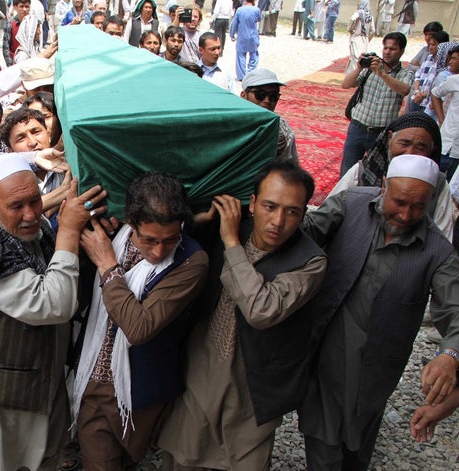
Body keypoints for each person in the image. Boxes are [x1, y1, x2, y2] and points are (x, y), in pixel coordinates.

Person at [160, 161, 327, 471]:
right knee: (184, 452)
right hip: (201, 362)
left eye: (292, 211)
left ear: (304, 214)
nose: (278, 221)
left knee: (244, 454)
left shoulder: (310, 262)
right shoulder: (226, 226)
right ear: (252, 204)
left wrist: (232, 243)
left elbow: (261, 310)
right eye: (270, 206)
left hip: (253, 379)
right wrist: (199, 223)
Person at [298, 153, 459, 471]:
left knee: (357, 443)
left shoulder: (438, 252)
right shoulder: (352, 204)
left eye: (418, 206)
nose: (406, 214)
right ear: (384, 185)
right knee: (325, 445)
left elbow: (455, 309)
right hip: (324, 355)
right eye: (399, 201)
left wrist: (450, 354)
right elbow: (306, 230)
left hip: (375, 373)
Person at [0, 155, 105, 470]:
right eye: (16, 206)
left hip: (42, 392)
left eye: (36, 201)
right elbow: (55, 304)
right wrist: (67, 231)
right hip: (1, 406)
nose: (30, 215)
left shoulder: (30, 232)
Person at [74, 172, 209, 469]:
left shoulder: (192, 261)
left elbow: (139, 327)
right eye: (150, 240)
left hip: (138, 393)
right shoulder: (109, 232)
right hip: (92, 381)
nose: (159, 251)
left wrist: (108, 265)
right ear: (131, 222)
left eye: (169, 240)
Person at [330, 112, 453, 241]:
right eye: (404, 144)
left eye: (420, 148)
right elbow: (331, 213)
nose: (409, 154)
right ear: (389, 139)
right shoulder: (364, 170)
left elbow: (443, 237)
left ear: (432, 149)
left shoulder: (438, 185)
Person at [339, 32, 413, 176]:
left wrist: (383, 74)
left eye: (392, 49)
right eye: (385, 48)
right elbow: (345, 84)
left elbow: (404, 89)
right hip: (358, 127)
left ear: (402, 51)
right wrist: (360, 67)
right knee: (347, 171)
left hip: (382, 132)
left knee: (377, 174)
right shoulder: (369, 69)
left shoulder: (405, 73)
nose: (387, 52)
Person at [241, 68, 299, 162]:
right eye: (260, 94)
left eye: (273, 96)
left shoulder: (283, 130)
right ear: (243, 96)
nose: (267, 100)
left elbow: (290, 167)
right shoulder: (231, 124)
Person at [432, 47, 459, 181]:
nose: (450, 62)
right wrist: (442, 119)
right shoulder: (454, 80)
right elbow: (435, 93)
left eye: (454, 58)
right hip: (447, 143)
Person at [409, 30, 448, 113]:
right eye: (430, 44)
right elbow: (418, 75)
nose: (430, 47)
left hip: (429, 104)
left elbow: (439, 85)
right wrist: (417, 91)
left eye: (434, 44)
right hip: (417, 99)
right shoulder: (428, 58)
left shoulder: (445, 64)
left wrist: (423, 95)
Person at [229, 0, 260, 81]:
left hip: (242, 36)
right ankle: (251, 73)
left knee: (241, 56)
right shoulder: (256, 10)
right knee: (254, 55)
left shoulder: (239, 10)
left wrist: (232, 34)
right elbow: (259, 19)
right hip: (253, 36)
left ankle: (241, 76)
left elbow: (234, 23)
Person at [345, 0, 374, 74]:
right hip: (365, 40)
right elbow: (373, 31)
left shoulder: (359, 13)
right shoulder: (370, 17)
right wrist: (368, 40)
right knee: (362, 58)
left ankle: (355, 75)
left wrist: (350, 29)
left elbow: (352, 19)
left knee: (355, 58)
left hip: (356, 38)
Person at [2, 0, 31, 66]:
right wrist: (11, 66)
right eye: (21, 6)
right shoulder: (10, 25)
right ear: (15, 7)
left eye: (26, 6)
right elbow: (6, 49)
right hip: (15, 64)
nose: (24, 9)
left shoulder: (33, 25)